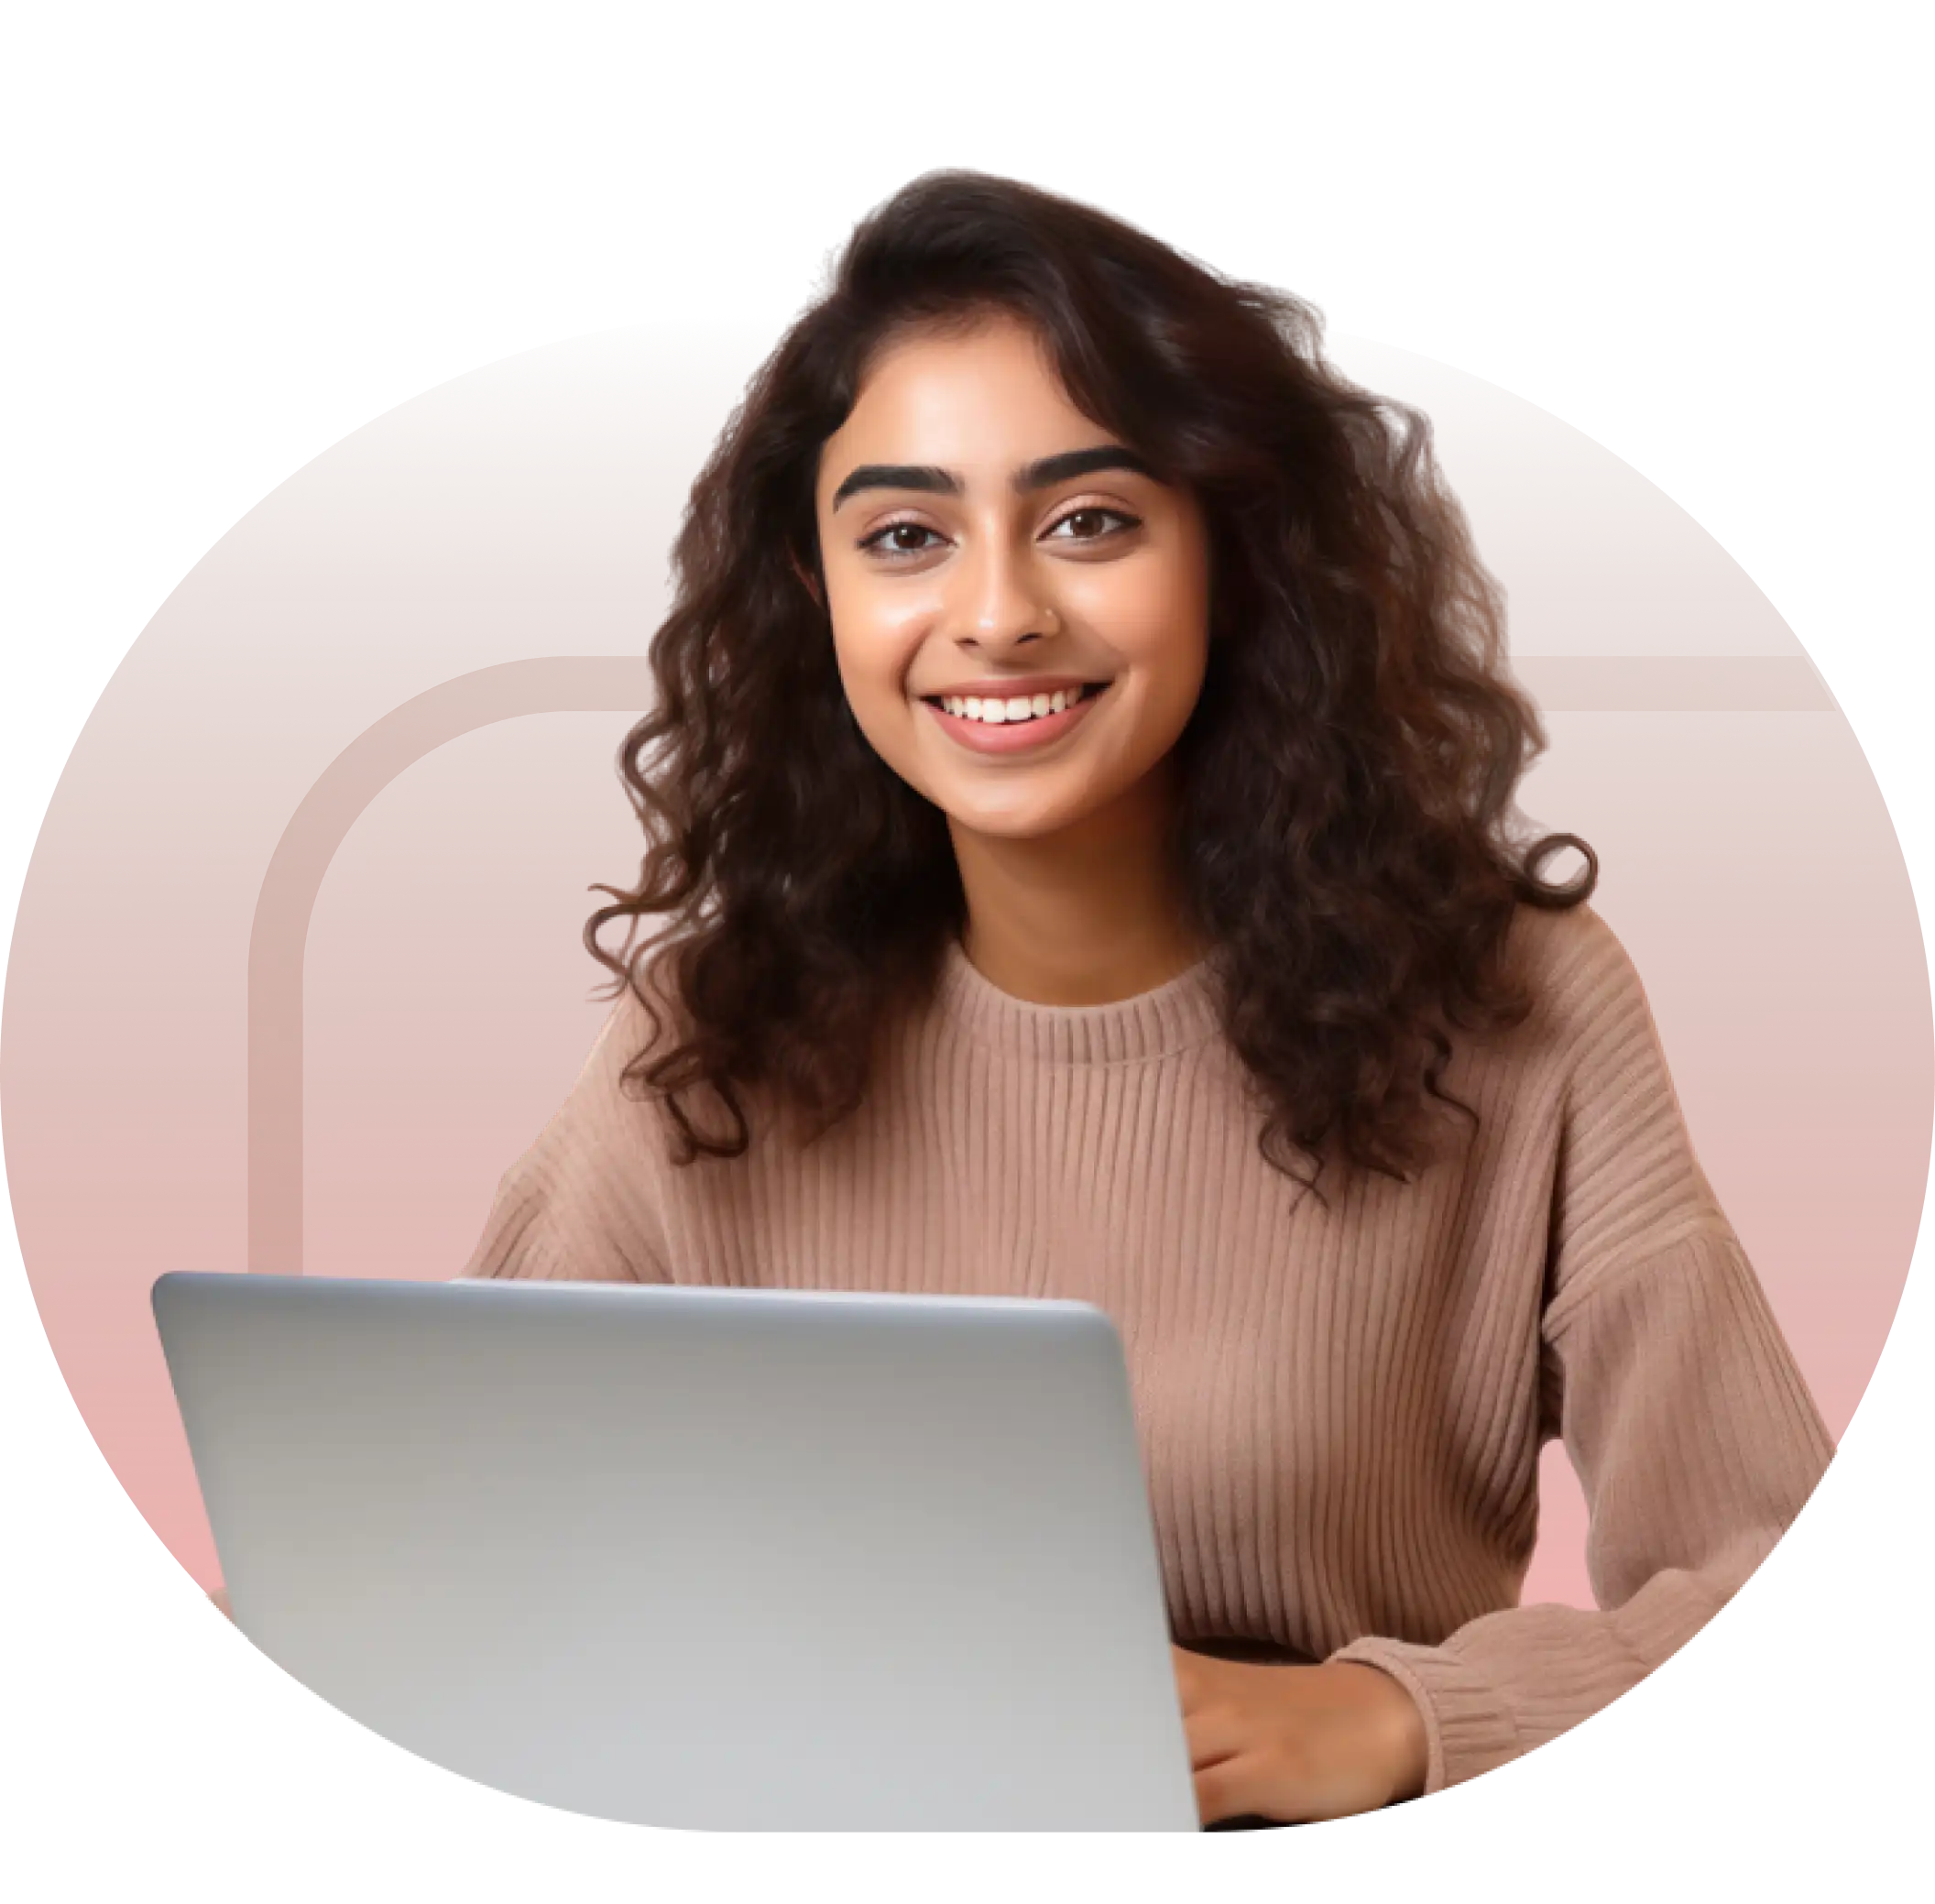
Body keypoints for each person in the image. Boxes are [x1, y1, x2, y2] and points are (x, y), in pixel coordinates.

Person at [453, 167, 1836, 1828]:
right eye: (905, 535)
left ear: (1231, 557)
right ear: (814, 595)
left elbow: (1757, 1560)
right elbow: (447, 1530)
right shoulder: (714, 1012)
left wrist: (1405, 1718)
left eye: (1090, 518)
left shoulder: (1520, 1011)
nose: (996, 615)